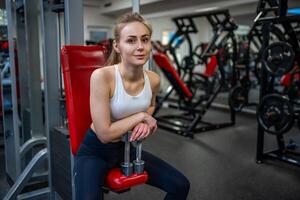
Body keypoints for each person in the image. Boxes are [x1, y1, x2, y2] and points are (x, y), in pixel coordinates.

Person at [74, 12, 190, 200]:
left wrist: (145, 119)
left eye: (145, 40)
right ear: (117, 46)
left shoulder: (153, 79)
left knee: (180, 185)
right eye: (131, 40)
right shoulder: (103, 77)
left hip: (126, 149)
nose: (140, 47)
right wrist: (140, 118)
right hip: (95, 152)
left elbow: (151, 105)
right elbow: (104, 134)